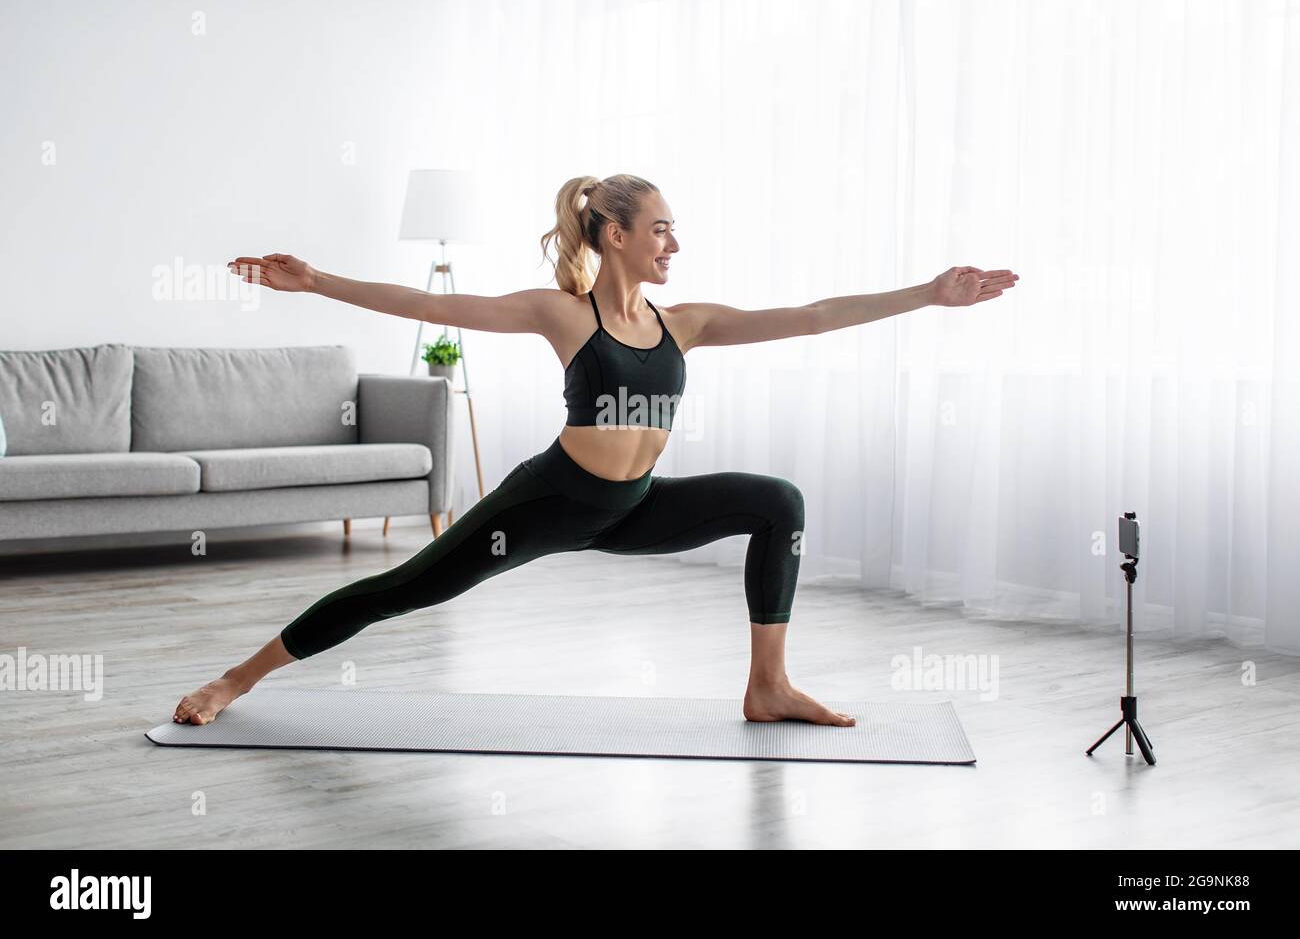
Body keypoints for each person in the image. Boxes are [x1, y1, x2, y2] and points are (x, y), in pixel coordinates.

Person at [175, 172, 1018, 727]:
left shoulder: (684, 324)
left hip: (632, 509)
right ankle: (236, 681)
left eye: (674, 232)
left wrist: (929, 296)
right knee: (402, 590)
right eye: (660, 230)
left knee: (778, 502)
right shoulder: (563, 314)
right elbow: (434, 309)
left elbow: (813, 314)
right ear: (614, 234)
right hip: (547, 506)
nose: (673, 246)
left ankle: (768, 686)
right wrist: (319, 281)